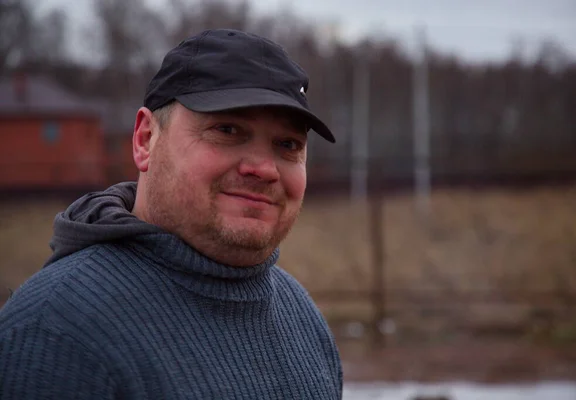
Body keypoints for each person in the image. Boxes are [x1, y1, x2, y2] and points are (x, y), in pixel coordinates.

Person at [0, 29, 342, 399]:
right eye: (227, 129)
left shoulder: (302, 317)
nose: (264, 168)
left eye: (287, 145)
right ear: (145, 139)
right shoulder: (56, 334)